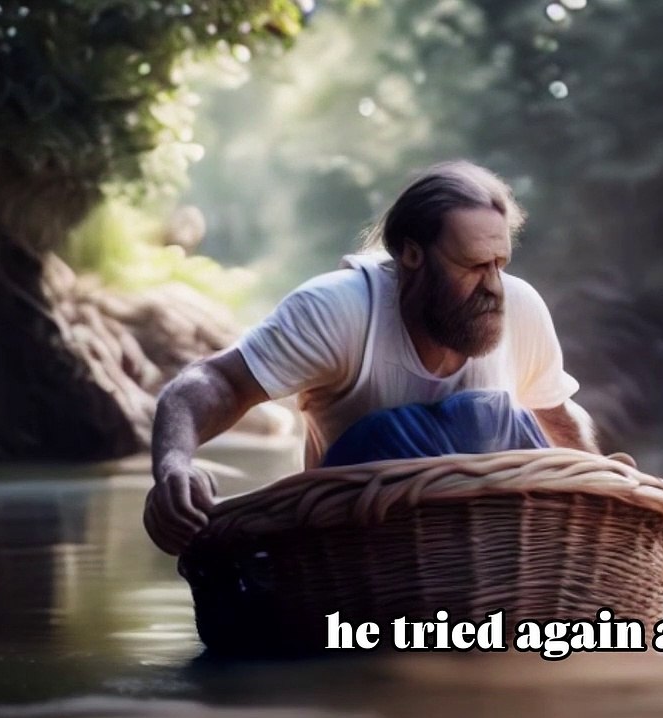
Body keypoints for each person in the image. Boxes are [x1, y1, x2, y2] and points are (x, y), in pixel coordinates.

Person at [145, 160, 598, 555]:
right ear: (412, 254)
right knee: (472, 416)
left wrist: (606, 486)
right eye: (475, 266)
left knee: (501, 419)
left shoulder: (519, 306)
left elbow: (554, 416)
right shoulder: (339, 310)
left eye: (501, 264)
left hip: (498, 549)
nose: (493, 287)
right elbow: (216, 383)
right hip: (365, 548)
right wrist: (173, 467)